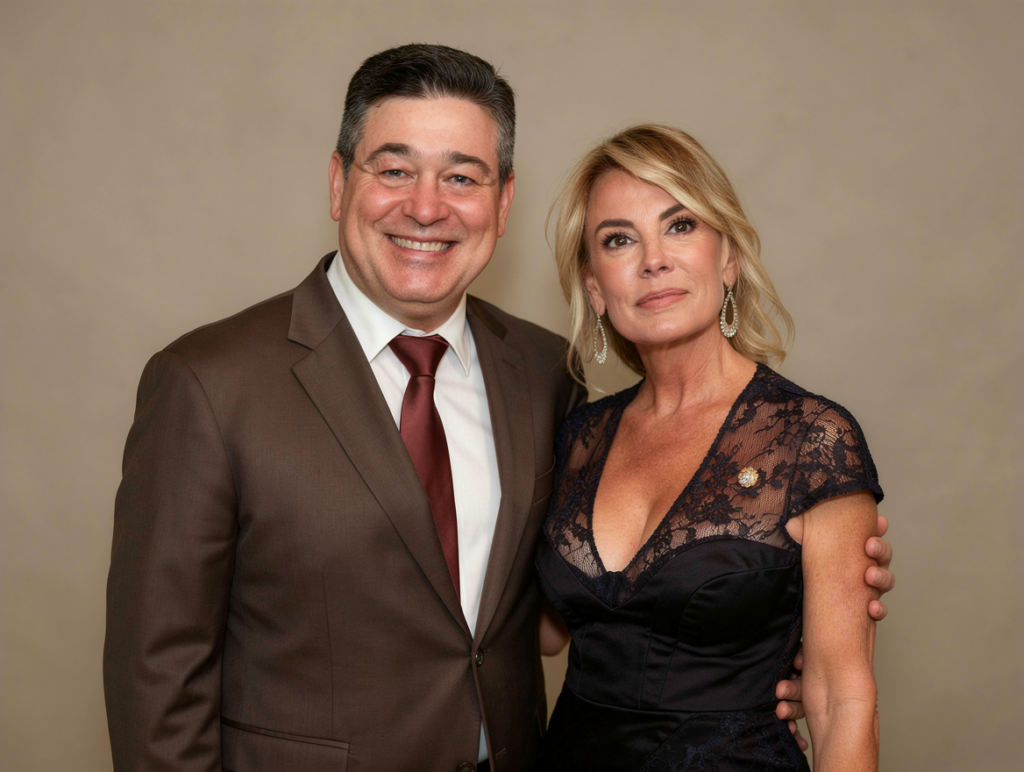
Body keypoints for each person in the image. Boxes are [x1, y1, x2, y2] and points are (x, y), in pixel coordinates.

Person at [104, 45, 894, 772]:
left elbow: (552, 601)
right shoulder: (207, 384)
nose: (426, 207)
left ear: (502, 199)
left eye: (461, 176)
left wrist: (782, 600)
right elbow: (157, 673)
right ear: (340, 182)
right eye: (393, 169)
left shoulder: (542, 376)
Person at [535, 124, 886, 771]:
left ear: (728, 258)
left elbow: (842, 699)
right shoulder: (578, 436)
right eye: (619, 239)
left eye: (680, 225)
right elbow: (546, 632)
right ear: (594, 288)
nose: (653, 260)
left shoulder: (812, 439)